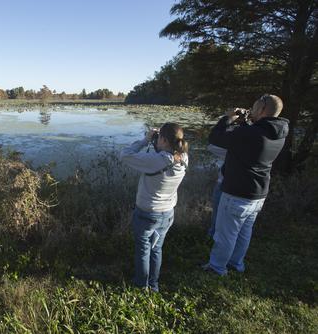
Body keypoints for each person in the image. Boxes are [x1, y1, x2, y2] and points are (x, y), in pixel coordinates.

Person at [203, 94, 289, 275]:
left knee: (225, 235)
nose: (252, 108)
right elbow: (247, 141)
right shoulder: (278, 132)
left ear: (262, 109)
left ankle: (217, 268)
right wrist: (246, 122)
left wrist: (228, 118)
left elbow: (215, 137)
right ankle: (236, 264)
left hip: (237, 194)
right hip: (258, 194)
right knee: (244, 232)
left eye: (255, 106)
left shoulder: (251, 134)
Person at [120, 123, 188, 292]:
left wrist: (146, 140)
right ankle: (154, 284)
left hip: (147, 214)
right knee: (156, 248)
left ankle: (142, 286)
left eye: (160, 138)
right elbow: (170, 155)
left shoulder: (156, 161)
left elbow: (125, 154)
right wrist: (159, 144)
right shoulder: (184, 158)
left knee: (143, 249)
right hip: (167, 213)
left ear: (164, 140)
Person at [207, 144, 226, 238]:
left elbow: (211, 146)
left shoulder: (235, 149)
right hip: (249, 191)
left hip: (224, 184)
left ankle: (213, 235)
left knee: (217, 212)